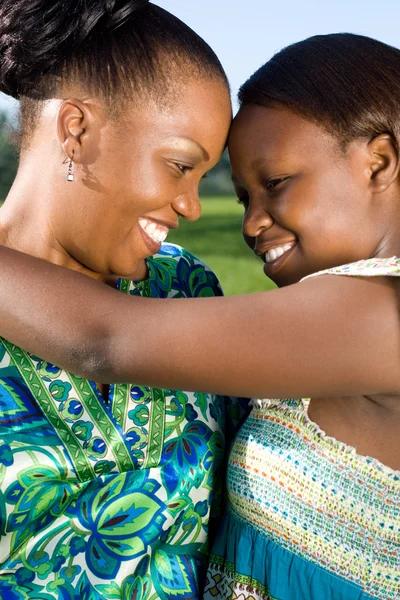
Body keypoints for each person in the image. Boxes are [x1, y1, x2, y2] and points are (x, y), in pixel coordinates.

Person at [1, 32, 400, 600]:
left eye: (276, 184)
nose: (245, 223)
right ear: (76, 130)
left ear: (380, 162)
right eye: (242, 196)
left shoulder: (380, 314)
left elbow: (106, 338)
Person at [0, 1, 234, 598]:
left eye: (201, 176)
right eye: (180, 166)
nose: (192, 206)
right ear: (75, 130)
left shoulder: (185, 287)